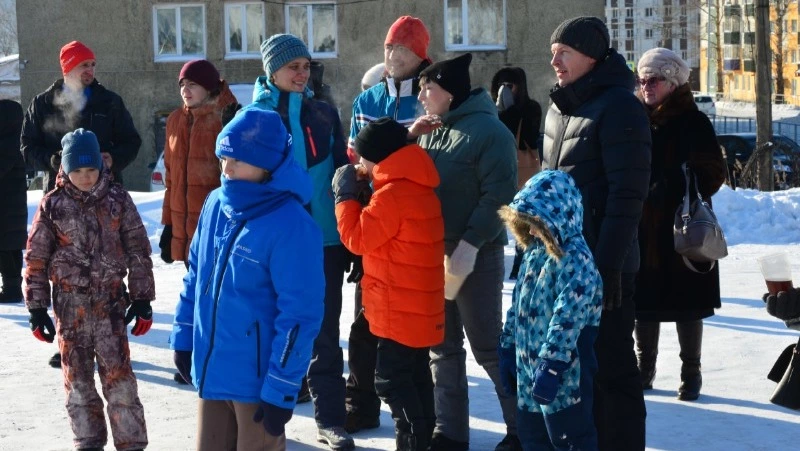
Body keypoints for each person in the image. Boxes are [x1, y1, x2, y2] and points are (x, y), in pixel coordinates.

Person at [169, 109, 325, 451]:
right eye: (224, 157)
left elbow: (299, 316)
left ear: (267, 165)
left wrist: (282, 387)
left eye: (238, 161)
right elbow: (195, 276)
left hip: (258, 386)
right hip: (213, 371)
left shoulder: (292, 225)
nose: (226, 169)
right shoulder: (215, 204)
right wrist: (183, 334)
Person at [542, 17, 652, 451]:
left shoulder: (620, 106)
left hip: (605, 268)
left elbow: (628, 195)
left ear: (591, 56)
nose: (555, 61)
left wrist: (606, 269)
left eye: (563, 52)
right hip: (562, 267)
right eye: (553, 51)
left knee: (613, 371)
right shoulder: (559, 107)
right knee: (578, 372)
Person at [409, 53, 520, 451]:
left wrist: (471, 243)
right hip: (435, 254)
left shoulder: (490, 133)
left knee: (488, 345)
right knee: (442, 348)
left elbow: (500, 196)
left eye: (429, 87)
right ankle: (450, 432)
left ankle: (522, 429)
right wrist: (409, 136)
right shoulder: (431, 129)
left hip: (476, 255)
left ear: (450, 92)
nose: (421, 94)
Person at [250, 33, 354, 450]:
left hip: (325, 241)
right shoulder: (254, 118)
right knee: (269, 331)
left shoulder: (324, 113)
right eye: (293, 66)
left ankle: (331, 420)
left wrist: (349, 236)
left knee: (324, 332)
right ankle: (262, 422)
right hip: (273, 245)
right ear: (271, 70)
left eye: (306, 66)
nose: (301, 73)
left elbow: (344, 175)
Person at [25, 128, 154, 451]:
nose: (85, 177)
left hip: (110, 306)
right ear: (65, 170)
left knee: (120, 382)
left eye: (91, 169)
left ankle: (131, 443)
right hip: (70, 310)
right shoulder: (53, 205)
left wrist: (141, 299)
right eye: (77, 170)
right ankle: (88, 442)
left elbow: (138, 248)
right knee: (78, 385)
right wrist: (37, 308)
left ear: (102, 166)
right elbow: (36, 258)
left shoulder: (117, 199)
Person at [21, 40, 142, 368]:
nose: (90, 71)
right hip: (62, 203)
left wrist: (112, 159)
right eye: (83, 66)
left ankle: (110, 340)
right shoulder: (43, 103)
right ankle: (69, 344)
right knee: (67, 274)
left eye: (92, 65)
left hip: (105, 199)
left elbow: (133, 141)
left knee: (105, 270)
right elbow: (27, 145)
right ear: (67, 69)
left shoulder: (109, 101)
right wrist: (51, 160)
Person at [332, 117, 445, 451]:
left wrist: (344, 198)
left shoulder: (392, 195)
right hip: (417, 304)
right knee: (417, 378)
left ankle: (412, 443)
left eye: (362, 157)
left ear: (379, 157)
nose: (359, 164)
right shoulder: (417, 185)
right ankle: (422, 441)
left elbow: (356, 238)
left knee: (392, 382)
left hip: (400, 307)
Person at [344, 15, 432, 435]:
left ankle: (421, 424)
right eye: (388, 48)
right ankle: (359, 403)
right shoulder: (367, 101)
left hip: (414, 229)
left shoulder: (430, 97)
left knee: (414, 331)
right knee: (363, 323)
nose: (392, 56)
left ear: (420, 55)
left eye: (402, 49)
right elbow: (353, 155)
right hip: (372, 221)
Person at [632, 48, 727, 403]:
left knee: (687, 303)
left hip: (683, 229)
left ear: (672, 82)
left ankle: (692, 373)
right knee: (644, 304)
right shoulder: (635, 118)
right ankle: (645, 368)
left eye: (653, 80)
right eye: (641, 80)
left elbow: (714, 173)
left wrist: (675, 185)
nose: (646, 86)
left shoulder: (693, 121)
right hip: (643, 229)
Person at [497, 169, 603, 450]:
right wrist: (508, 346)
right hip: (528, 373)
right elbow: (517, 305)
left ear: (558, 218)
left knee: (569, 439)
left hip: (564, 377)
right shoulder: (534, 252)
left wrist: (552, 365)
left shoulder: (576, 260)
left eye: (536, 223)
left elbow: (568, 317)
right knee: (533, 438)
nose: (530, 230)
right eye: (527, 223)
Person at [159, 58, 239, 385]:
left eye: (192, 84)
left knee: (221, 293)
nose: (186, 90)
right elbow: (171, 180)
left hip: (219, 223)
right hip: (186, 224)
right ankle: (194, 356)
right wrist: (168, 226)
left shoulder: (227, 116)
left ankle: (220, 357)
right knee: (195, 292)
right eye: (182, 85)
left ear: (209, 87)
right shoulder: (176, 120)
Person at [490, 67, 543, 280]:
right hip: (499, 170)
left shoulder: (531, 108)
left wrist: (510, 111)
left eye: (509, 86)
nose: (505, 91)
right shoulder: (492, 111)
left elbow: (528, 138)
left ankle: (521, 264)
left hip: (523, 172)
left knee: (523, 218)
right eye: (500, 86)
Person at [0, 99, 27, 304]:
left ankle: (11, 288)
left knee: (7, 245)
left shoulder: (9, 114)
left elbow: (5, 159)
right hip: (10, 200)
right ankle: (11, 286)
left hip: (8, 200)